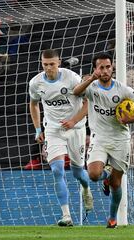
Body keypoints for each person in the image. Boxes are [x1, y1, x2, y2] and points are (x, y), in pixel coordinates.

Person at [73, 53, 134, 228]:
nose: (105, 70)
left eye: (108, 67)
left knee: (116, 183)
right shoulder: (91, 87)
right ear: (96, 69)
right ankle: (104, 175)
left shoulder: (123, 90)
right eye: (101, 67)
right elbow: (76, 92)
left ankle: (113, 217)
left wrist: (130, 119)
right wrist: (91, 78)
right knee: (93, 175)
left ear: (112, 68)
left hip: (120, 139)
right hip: (99, 138)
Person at [29, 49, 93, 227]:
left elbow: (88, 102)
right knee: (57, 170)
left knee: (78, 172)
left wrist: (73, 120)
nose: (48, 68)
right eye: (45, 64)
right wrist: (37, 129)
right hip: (53, 130)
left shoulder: (71, 78)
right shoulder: (35, 83)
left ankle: (86, 189)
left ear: (58, 62)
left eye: (52, 64)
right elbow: (33, 104)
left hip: (76, 128)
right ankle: (66, 215)